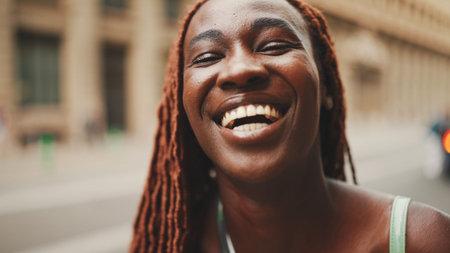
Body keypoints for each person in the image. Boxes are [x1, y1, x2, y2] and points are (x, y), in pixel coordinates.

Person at [130, 0, 450, 252]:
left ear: (325, 84)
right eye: (207, 57)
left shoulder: (419, 241)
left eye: (273, 45)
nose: (240, 69)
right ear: (180, 104)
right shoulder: (172, 241)